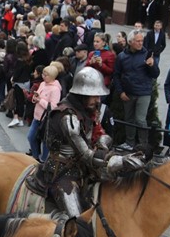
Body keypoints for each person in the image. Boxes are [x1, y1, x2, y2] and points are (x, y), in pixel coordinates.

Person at [34, 67, 141, 217]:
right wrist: (119, 161)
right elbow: (86, 154)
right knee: (77, 221)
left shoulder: (87, 110)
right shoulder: (68, 116)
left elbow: (100, 134)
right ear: (81, 94)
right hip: (63, 172)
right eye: (94, 96)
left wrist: (102, 144)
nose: (98, 100)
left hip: (83, 168)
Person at [111, 30, 160, 149]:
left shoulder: (147, 54)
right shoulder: (122, 56)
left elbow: (155, 74)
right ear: (130, 42)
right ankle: (129, 143)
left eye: (141, 41)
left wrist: (152, 65)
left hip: (144, 93)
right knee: (129, 119)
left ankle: (143, 144)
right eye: (137, 41)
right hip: (128, 93)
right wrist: (121, 92)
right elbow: (116, 75)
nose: (140, 43)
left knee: (140, 120)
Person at [28, 64, 62, 161]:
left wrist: (40, 100)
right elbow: (38, 97)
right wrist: (35, 98)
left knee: (45, 141)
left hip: (46, 119)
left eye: (46, 75)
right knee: (31, 137)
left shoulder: (55, 89)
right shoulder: (43, 84)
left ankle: (44, 160)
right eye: (43, 74)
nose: (43, 76)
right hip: (37, 116)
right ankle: (35, 157)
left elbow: (53, 106)